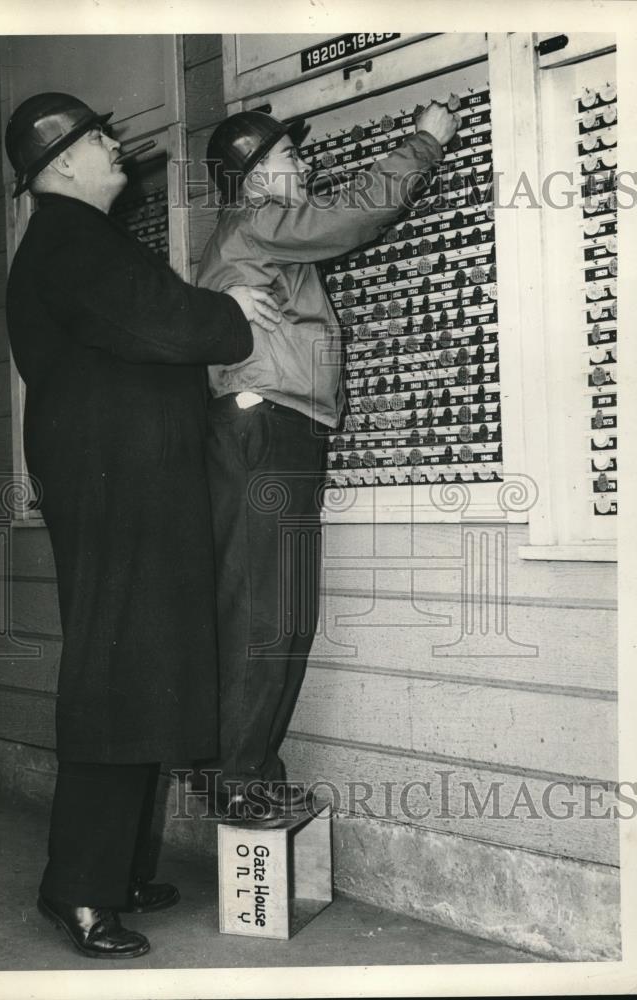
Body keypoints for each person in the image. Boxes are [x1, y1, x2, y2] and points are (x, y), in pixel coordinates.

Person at [3, 92, 282, 959]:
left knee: (140, 670)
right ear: (60, 167)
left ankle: (115, 872)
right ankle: (76, 891)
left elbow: (141, 318)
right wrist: (235, 318)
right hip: (113, 483)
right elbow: (153, 319)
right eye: (98, 139)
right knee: (112, 676)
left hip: (129, 482)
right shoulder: (68, 238)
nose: (115, 145)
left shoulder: (78, 239)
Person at [194, 102, 459, 820]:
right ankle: (231, 774)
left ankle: (248, 765)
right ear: (251, 180)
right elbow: (353, 217)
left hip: (284, 430)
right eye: (287, 155)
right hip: (263, 429)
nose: (302, 165)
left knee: (281, 613)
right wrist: (426, 140)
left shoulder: (265, 237)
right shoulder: (257, 224)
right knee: (264, 611)